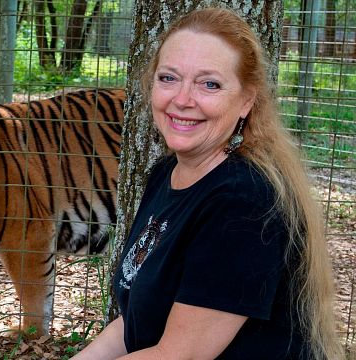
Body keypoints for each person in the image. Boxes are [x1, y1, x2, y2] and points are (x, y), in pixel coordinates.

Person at [72, 7, 342, 360]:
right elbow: (134, 323)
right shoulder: (168, 173)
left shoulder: (244, 201)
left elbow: (181, 355)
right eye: (169, 78)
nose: (182, 100)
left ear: (246, 101)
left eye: (209, 84)